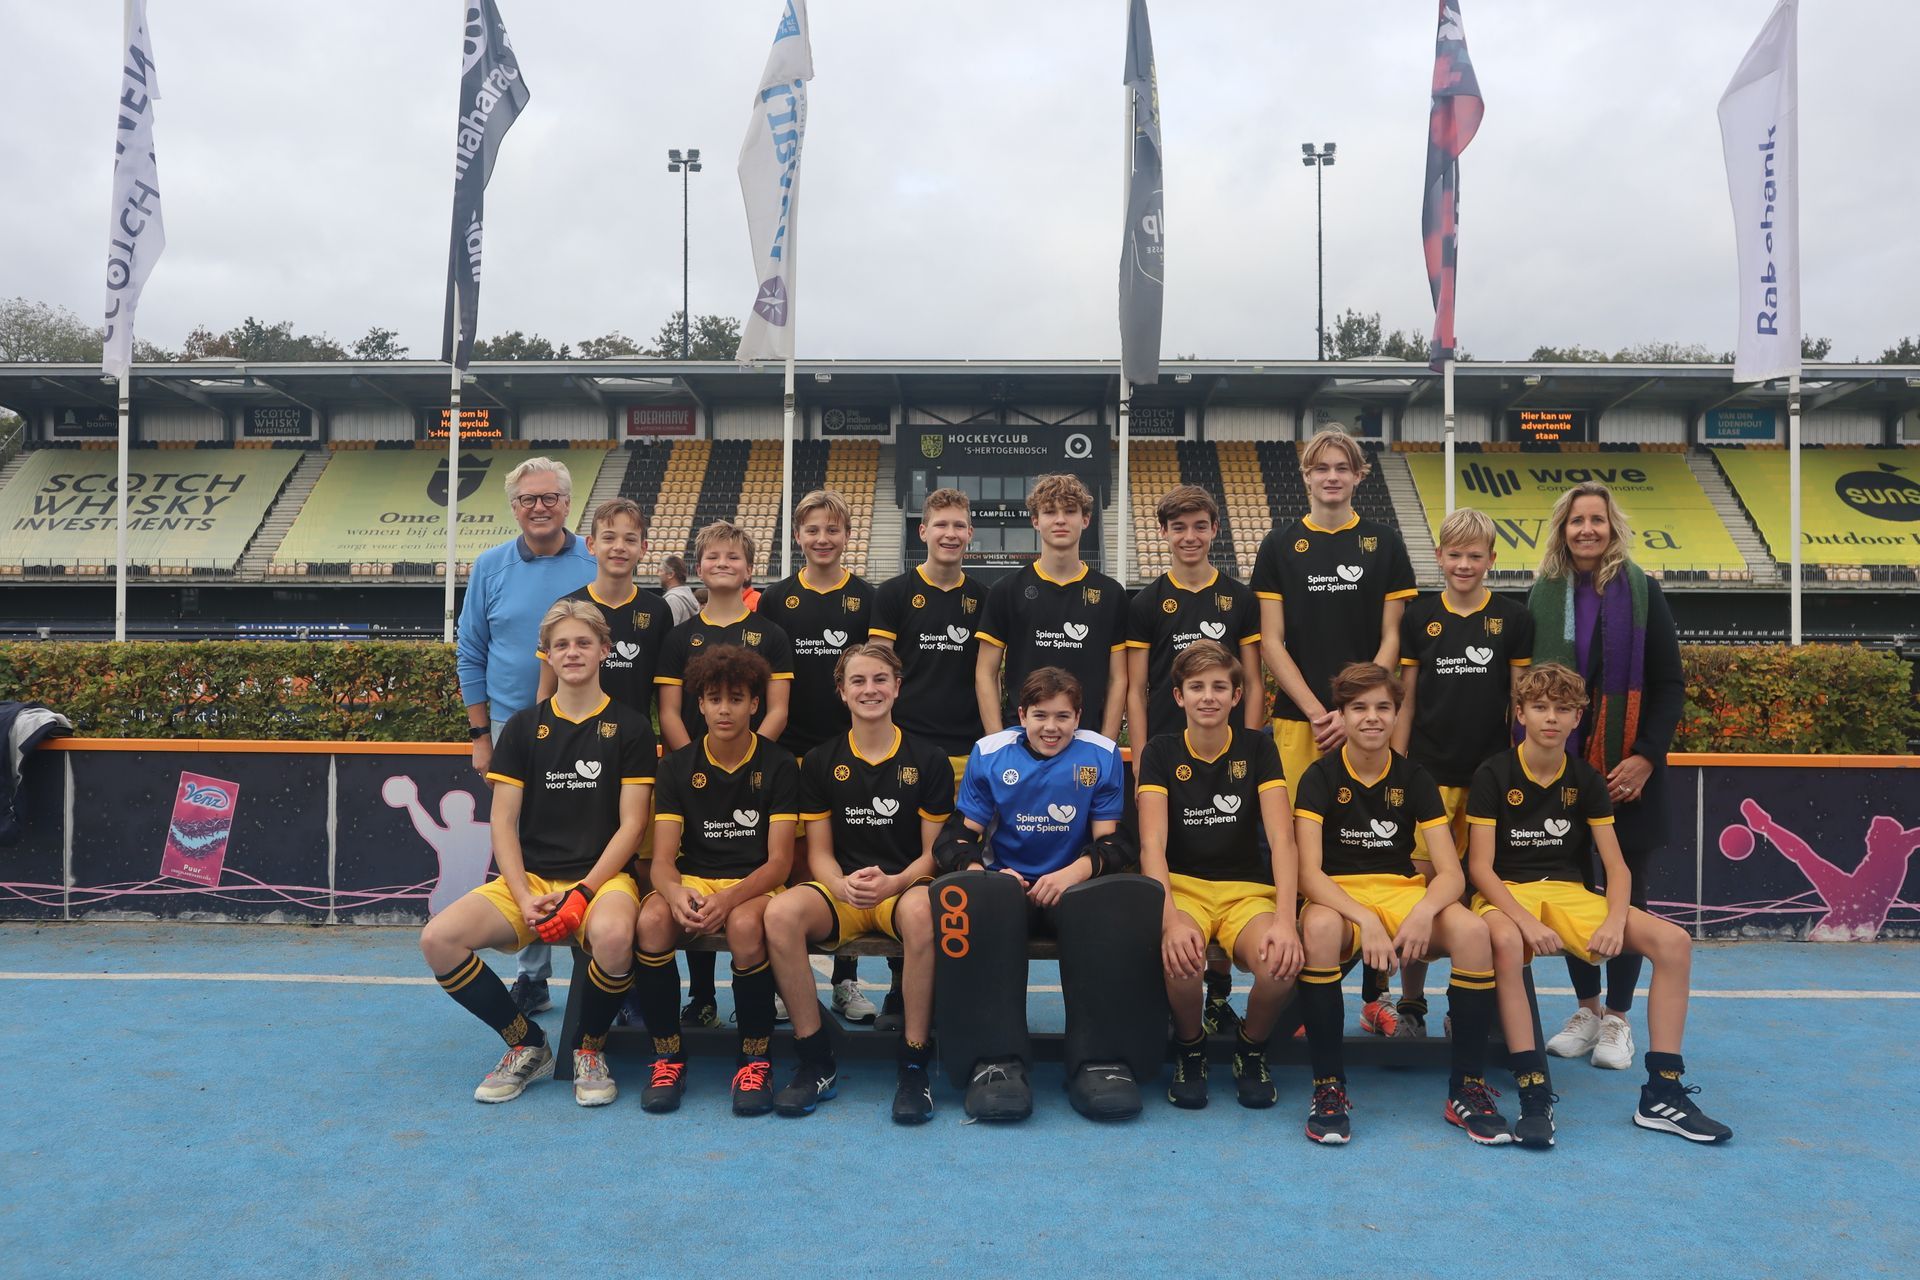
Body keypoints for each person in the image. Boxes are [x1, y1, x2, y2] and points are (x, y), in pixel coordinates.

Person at [1468, 663, 1732, 1146]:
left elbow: (1617, 867)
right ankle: (1533, 1093)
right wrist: (1525, 922)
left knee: (1674, 941)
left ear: (1577, 718)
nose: (1551, 717)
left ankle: (1663, 1093)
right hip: (1506, 893)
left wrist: (1613, 920)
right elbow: (1480, 869)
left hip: (1568, 892)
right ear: (1521, 714)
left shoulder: (1585, 779)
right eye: (1540, 707)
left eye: (1563, 709)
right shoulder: (1493, 773)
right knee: (1505, 940)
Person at [420, 599, 653, 1106]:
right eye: (561, 645)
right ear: (546, 654)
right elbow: (502, 823)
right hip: (531, 880)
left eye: (583, 642)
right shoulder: (524, 727)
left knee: (614, 936)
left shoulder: (632, 727)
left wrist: (584, 892)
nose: (572, 652)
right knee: (439, 939)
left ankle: (588, 1048)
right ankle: (526, 1043)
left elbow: (633, 825)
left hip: (602, 880)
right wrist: (524, 895)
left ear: (605, 650)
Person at [1291, 663, 1510, 1146]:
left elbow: (1451, 873)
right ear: (1342, 715)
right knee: (1321, 930)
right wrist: (1366, 919)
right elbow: (1308, 873)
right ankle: (1328, 1087)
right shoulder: (1319, 776)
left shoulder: (1415, 777)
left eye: (1383, 707)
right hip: (1338, 895)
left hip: (1401, 891)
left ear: (1396, 714)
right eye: (1359, 708)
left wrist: (1423, 912)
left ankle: (1466, 1088)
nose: (1372, 717)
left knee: (1474, 933)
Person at [1253, 428, 1416, 1038]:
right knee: (1299, 853)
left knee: (1370, 847)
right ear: (1305, 475)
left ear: (1358, 475)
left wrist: (1353, 711)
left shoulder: (1384, 542)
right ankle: (1301, 993)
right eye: (1320, 467)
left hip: (1364, 722)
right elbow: (1271, 642)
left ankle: (1377, 995)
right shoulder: (1280, 544)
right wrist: (1320, 710)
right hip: (1301, 724)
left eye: (1341, 467)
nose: (1331, 477)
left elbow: (1392, 637)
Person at [938, 667, 1150, 1122]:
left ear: (1079, 717)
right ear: (1021, 715)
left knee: (1103, 910)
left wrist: (1071, 874)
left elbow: (1114, 843)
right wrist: (987, 877)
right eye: (1040, 715)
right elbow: (956, 840)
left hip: (1069, 889)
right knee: (984, 906)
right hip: (1007, 888)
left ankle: (1098, 1060)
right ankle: (994, 1061)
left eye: (1062, 716)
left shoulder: (1101, 754)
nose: (1051, 727)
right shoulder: (990, 753)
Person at [1527, 481, 1685, 1071]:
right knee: (1574, 891)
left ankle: (1618, 1018)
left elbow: (1668, 684)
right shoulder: (1543, 593)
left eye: (1597, 519)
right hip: (1561, 772)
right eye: (1576, 521)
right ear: (1563, 530)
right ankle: (1587, 1010)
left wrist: (1645, 756)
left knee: (1627, 894)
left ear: (1612, 527)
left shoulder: (1644, 591)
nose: (1587, 529)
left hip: (1627, 773)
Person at [765, 644, 955, 1123]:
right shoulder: (819, 760)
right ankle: (815, 1058)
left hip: (903, 886)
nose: (870, 689)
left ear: (897, 687)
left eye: (880, 679)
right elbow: (819, 853)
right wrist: (841, 885)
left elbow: (932, 854)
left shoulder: (929, 758)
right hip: (844, 891)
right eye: (858, 681)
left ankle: (914, 1063)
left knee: (923, 912)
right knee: (780, 914)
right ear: (842, 691)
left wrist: (895, 882)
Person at [631, 645, 800, 1117]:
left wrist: (727, 900)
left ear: (755, 704)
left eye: (736, 698)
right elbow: (663, 862)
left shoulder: (780, 764)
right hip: (694, 878)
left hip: (754, 883)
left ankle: (755, 1059)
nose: (725, 709)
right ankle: (667, 1056)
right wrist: (674, 891)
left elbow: (780, 863)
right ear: (700, 705)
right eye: (714, 699)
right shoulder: (675, 766)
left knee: (745, 926)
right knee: (652, 921)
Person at [454, 456, 596, 1018]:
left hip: (588, 730)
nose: (539, 507)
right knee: (520, 842)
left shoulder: (595, 560)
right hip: (513, 732)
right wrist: (479, 735)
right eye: (527, 499)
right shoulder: (490, 567)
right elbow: (471, 652)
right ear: (514, 508)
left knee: (591, 839)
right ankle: (532, 975)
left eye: (549, 497)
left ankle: (600, 970)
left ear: (567, 502)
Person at [1135, 642, 1301, 1110]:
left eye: (1219, 687)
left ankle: (1251, 1047)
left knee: (1279, 964)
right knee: (1183, 959)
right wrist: (1169, 919)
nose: (1208, 696)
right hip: (1183, 889)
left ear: (1236, 696)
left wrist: (1286, 920)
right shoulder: (1160, 752)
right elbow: (1152, 845)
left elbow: (1283, 840)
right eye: (1196, 687)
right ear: (1179, 696)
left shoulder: (1258, 747)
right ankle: (1191, 1049)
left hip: (1246, 893)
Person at [1389, 507, 1534, 1033]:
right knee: (1422, 891)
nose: (1464, 565)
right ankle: (1411, 1004)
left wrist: (1516, 771)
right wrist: (1399, 770)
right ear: (1439, 557)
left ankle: (1465, 1005)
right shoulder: (1419, 618)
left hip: (1487, 782)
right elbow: (1406, 701)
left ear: (1492, 559)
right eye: (1455, 555)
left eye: (1475, 555)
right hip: (1428, 776)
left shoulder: (1514, 619)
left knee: (1479, 894)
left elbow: (1519, 705)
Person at [1126, 484, 1263, 1037]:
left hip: (1226, 753)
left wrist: (1248, 747)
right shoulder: (1145, 602)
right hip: (1165, 756)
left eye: (1200, 526)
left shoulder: (1238, 598)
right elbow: (1137, 689)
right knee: (1168, 862)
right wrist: (1140, 757)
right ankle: (1168, 986)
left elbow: (1253, 681)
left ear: (1215, 530)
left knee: (1224, 853)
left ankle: (1219, 995)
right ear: (1163, 533)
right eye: (1178, 527)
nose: (1190, 537)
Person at [655, 521, 795, 1029]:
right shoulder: (679, 637)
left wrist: (747, 761)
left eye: (733, 557)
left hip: (753, 773)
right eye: (713, 557)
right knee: (697, 869)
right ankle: (701, 995)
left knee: (748, 875)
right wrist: (697, 765)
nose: (722, 564)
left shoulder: (770, 634)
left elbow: (777, 709)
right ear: (698, 567)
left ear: (750, 568)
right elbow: (669, 712)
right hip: (693, 773)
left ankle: (760, 1001)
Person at [756, 489, 878, 1023]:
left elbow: (875, 676)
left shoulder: (867, 598)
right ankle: (788, 981)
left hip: (849, 751)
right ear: (797, 536)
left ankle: (846, 980)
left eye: (833, 529)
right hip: (788, 750)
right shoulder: (776, 599)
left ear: (848, 535)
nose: (822, 539)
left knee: (848, 859)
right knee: (790, 868)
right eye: (812, 530)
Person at [869, 486, 986, 1032]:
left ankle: (960, 988)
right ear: (923, 532)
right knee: (907, 866)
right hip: (908, 751)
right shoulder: (894, 594)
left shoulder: (983, 598)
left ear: (970, 534)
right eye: (941, 524)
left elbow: (989, 674)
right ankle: (901, 987)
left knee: (960, 870)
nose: (950, 534)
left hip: (967, 753)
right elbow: (879, 674)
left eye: (959, 525)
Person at [976, 473, 1129, 743]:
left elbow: (1118, 678)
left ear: (1085, 519)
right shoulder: (1006, 590)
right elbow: (986, 673)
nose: (1060, 520)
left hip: (1087, 740)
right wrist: (998, 741)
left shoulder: (1110, 594)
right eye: (1049, 511)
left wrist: (1105, 743)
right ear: (1035, 521)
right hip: (1021, 740)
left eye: (1069, 511)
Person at [660, 554, 701, 626]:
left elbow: (670, 630)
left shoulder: (672, 599)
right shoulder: (689, 595)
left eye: (661, 571)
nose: (658, 574)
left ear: (671, 574)